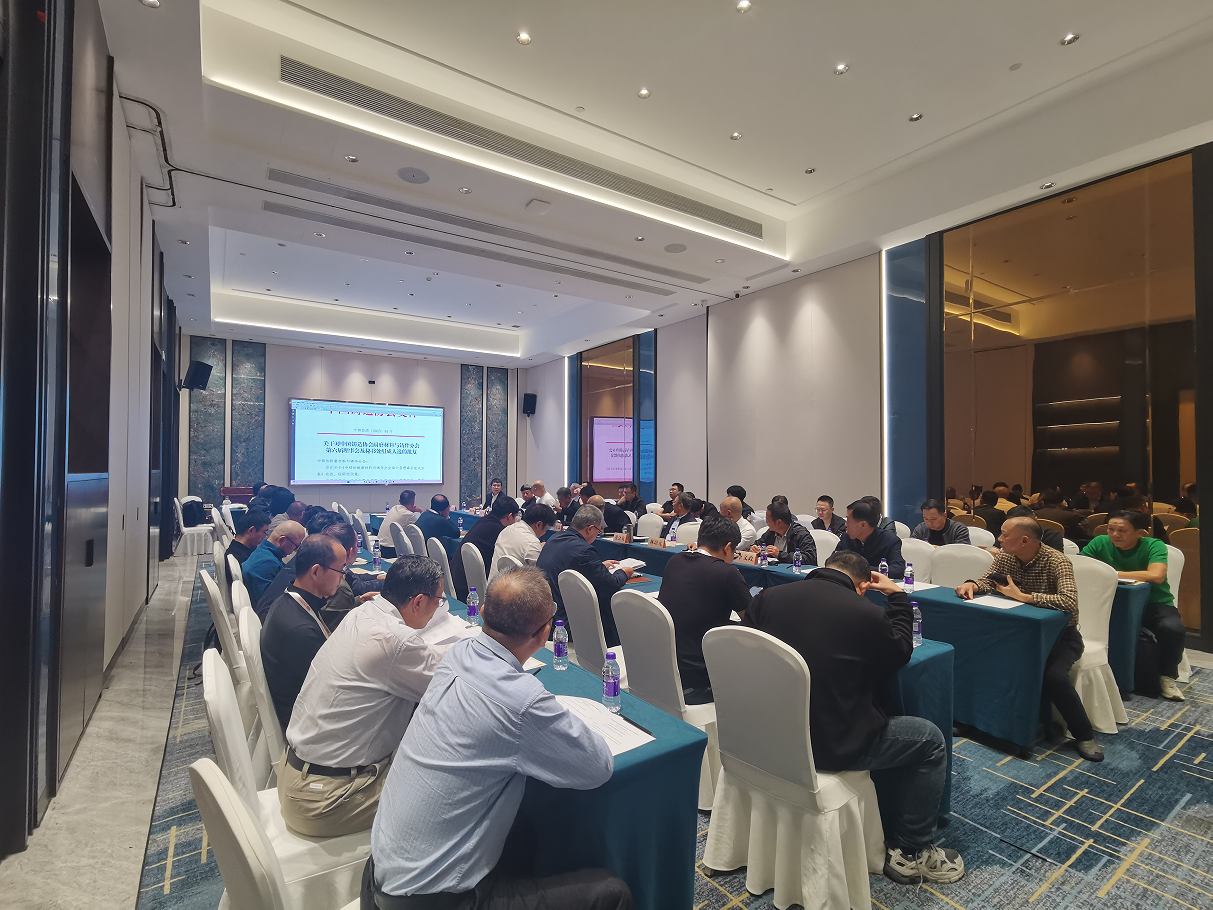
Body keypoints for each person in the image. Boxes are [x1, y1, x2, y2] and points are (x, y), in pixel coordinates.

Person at [367, 568, 633, 910]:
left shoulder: (459, 653)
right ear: (545, 632)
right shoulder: (521, 701)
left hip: (384, 872)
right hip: (439, 900)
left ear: (483, 613)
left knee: (524, 829)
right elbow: (597, 768)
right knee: (612, 893)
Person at [744, 550, 964, 886]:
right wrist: (898, 596)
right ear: (863, 586)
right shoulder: (866, 614)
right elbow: (901, 652)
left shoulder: (769, 598)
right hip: (829, 744)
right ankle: (911, 851)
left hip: (771, 732)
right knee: (930, 740)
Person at [278, 556, 449, 837]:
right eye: (438, 600)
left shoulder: (363, 613)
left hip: (298, 777)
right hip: (328, 799)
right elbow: (448, 683)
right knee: (454, 788)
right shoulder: (394, 641)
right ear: (418, 601)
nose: (438, 608)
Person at [955, 516, 1102, 762]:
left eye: (1004, 535)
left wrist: (1025, 597)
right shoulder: (1005, 556)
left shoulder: (1057, 561)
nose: (999, 539)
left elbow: (1069, 602)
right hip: (1017, 633)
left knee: (1054, 676)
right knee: (979, 659)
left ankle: (1084, 735)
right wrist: (972, 584)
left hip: (1059, 636)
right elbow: (988, 580)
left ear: (1024, 540)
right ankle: (972, 720)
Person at [1082, 511, 1186, 701]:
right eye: (1110, 529)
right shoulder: (1100, 542)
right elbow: (1080, 567)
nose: (1115, 535)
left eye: (1122, 531)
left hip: (1154, 603)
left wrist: (1111, 574)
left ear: (1140, 532)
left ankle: (1167, 676)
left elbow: (1156, 575)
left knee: (1172, 628)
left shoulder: (1153, 545)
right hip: (1109, 604)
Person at [657, 515, 751, 704]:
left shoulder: (675, 560)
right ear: (727, 547)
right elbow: (752, 620)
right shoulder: (727, 573)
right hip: (700, 674)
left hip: (665, 663)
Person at [262, 535, 349, 733]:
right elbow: (332, 693)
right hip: (311, 728)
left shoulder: (289, 599)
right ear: (316, 571)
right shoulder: (300, 631)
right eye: (340, 569)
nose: (343, 577)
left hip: (307, 708)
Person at [537, 505, 634, 646]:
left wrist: (599, 566)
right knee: (605, 605)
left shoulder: (555, 538)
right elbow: (611, 584)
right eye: (599, 530)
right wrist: (624, 572)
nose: (598, 534)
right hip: (565, 620)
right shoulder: (583, 549)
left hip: (544, 611)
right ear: (590, 528)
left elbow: (572, 564)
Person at [241, 520, 306, 604]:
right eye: (296, 546)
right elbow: (268, 604)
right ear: (282, 540)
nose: (295, 550)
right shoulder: (266, 564)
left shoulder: (264, 553)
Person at [489, 501, 556, 582]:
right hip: (514, 588)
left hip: (493, 584)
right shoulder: (532, 543)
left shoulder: (507, 529)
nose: (545, 532)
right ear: (538, 524)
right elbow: (541, 578)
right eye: (546, 528)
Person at [836, 501, 905, 578]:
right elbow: (832, 562)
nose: (845, 524)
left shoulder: (890, 540)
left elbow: (898, 570)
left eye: (848, 520)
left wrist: (861, 570)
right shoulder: (846, 537)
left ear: (863, 525)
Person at [461, 496, 518, 572]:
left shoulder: (483, 520)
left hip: (461, 572)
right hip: (477, 575)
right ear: (510, 516)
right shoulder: (500, 531)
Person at [750, 501, 816, 564]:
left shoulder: (801, 534)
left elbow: (810, 559)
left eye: (768, 520)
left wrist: (780, 555)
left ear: (778, 522)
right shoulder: (771, 532)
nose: (766, 522)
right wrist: (754, 549)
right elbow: (758, 544)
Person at [416, 494, 461, 560]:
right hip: (428, 557)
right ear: (446, 509)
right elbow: (456, 533)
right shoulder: (440, 520)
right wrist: (447, 517)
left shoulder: (424, 514)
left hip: (417, 553)